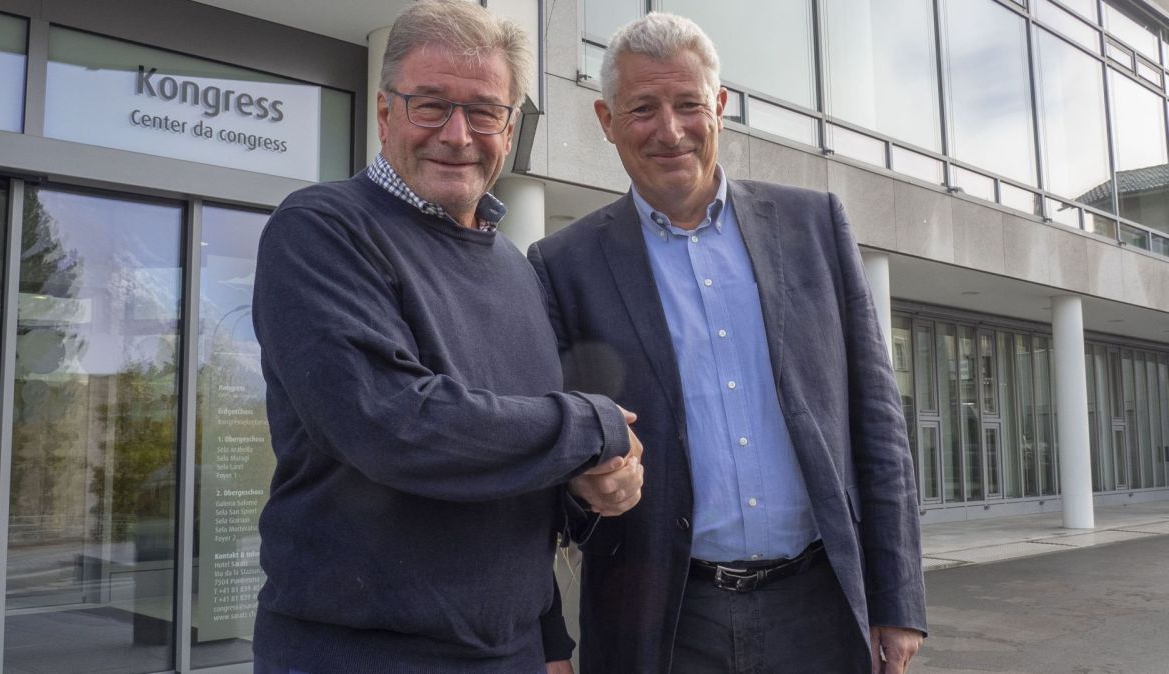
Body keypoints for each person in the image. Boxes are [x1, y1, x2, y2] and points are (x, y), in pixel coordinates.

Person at [528, 12, 927, 674]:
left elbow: (877, 422)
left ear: (719, 106)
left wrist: (898, 598)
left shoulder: (815, 226)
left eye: (688, 104)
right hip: (660, 621)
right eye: (643, 108)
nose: (670, 130)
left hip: (820, 608)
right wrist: (584, 488)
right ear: (606, 120)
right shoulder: (563, 266)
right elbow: (556, 455)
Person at [250, 2, 643, 672]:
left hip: (513, 653)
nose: (458, 135)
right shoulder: (321, 230)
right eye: (430, 105)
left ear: (509, 130)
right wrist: (591, 428)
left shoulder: (517, 271)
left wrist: (585, 492)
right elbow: (390, 425)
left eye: (485, 111)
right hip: (356, 653)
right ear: (384, 113)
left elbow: (511, 463)